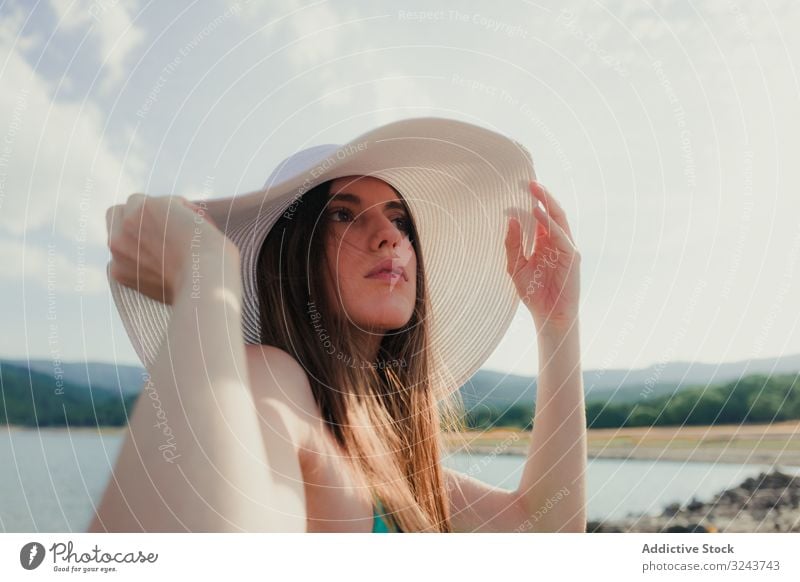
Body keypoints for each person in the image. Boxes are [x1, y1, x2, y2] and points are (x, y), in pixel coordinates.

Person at [89, 117, 586, 533]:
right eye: (343, 215)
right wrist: (209, 282)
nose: (388, 236)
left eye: (400, 221)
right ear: (291, 259)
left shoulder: (402, 466)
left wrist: (557, 323)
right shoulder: (271, 380)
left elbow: (546, 531)